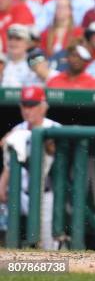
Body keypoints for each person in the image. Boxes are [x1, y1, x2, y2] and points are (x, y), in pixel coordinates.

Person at [0, 86, 60, 250]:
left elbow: (55, 150)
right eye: (25, 105)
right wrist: (2, 185)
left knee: (48, 244)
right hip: (18, 193)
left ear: (43, 106)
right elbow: (8, 163)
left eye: (32, 105)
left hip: (43, 193)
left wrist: (48, 143)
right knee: (6, 229)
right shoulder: (18, 129)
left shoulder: (54, 127)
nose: (28, 110)